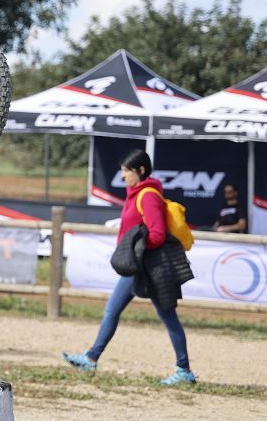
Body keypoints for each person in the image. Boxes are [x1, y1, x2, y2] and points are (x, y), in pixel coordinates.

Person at [62, 149, 197, 386]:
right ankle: (91, 358)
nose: (122, 175)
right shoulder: (135, 195)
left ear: (141, 171)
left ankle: (184, 370)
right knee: (112, 310)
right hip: (138, 267)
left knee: (168, 316)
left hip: (148, 268)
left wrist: (137, 248)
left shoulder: (147, 196)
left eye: (126, 170)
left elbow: (157, 234)